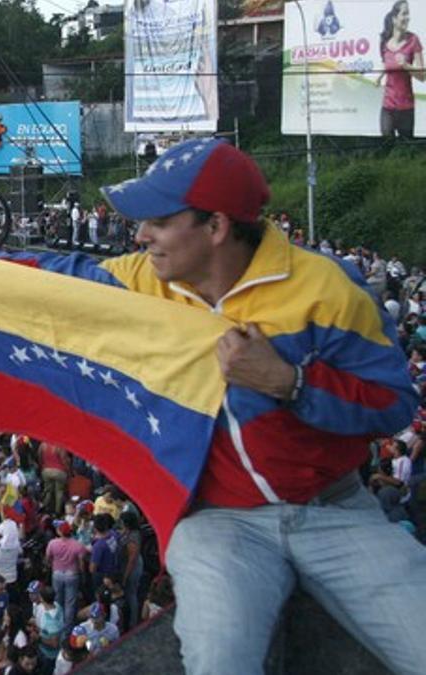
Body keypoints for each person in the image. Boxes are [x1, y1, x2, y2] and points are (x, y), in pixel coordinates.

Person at [28, 137, 426, 674]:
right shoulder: (142, 281)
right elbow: (52, 276)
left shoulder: (326, 289)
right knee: (221, 661)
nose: (140, 234)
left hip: (335, 511)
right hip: (219, 524)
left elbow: (394, 404)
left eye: (158, 221)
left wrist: (290, 382)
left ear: (215, 227)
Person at [378, 0, 424, 138]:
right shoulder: (384, 44)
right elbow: (386, 66)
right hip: (388, 105)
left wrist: (406, 65)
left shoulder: (413, 40)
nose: (407, 18)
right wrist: (379, 77)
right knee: (386, 142)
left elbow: (423, 76)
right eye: (404, 14)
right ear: (394, 19)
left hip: (406, 107)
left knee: (406, 148)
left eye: (408, 14)